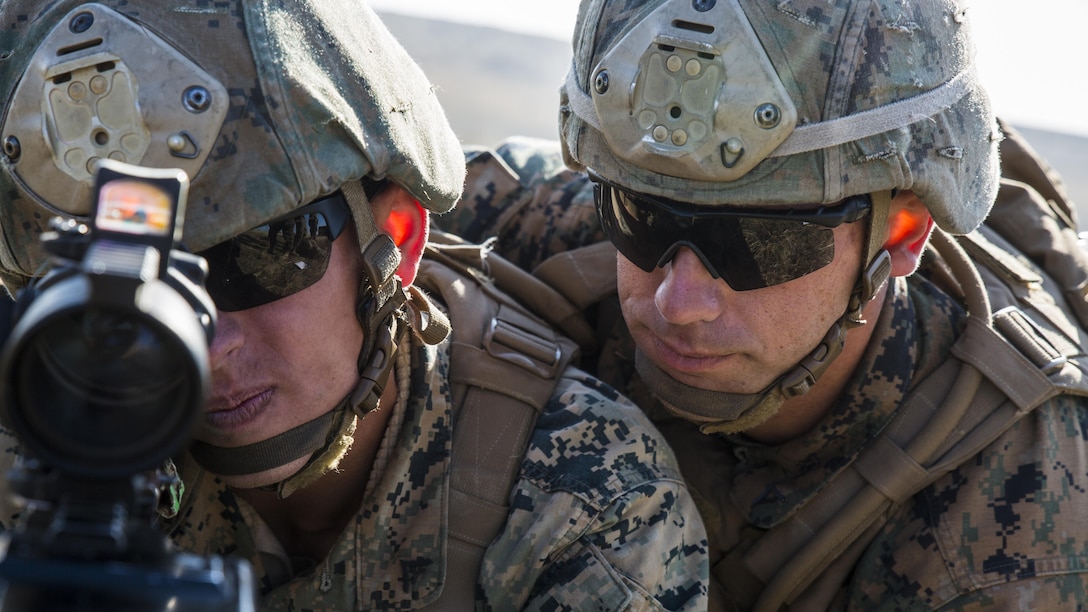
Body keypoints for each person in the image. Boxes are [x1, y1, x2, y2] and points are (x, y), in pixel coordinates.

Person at [0, 1, 708, 610]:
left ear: (394, 238)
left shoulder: (583, 501)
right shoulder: (34, 467)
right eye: (133, 298)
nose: (210, 344)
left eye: (264, 259)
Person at [437, 0, 1088, 609]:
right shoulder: (550, 229)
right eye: (640, 214)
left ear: (901, 234)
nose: (678, 300)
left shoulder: (1014, 525)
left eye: (761, 243)